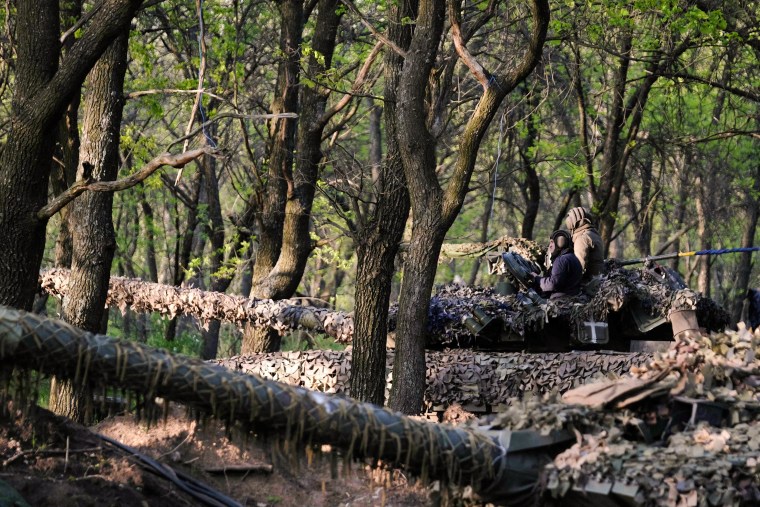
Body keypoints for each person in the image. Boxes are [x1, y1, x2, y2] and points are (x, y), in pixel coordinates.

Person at [531, 230, 583, 299]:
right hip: (573, 298)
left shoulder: (561, 260)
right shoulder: (573, 257)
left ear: (559, 243)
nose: (549, 246)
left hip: (561, 301)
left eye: (552, 242)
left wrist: (537, 278)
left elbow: (552, 284)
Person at [565, 206, 604, 280]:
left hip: (588, 284)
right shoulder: (593, 233)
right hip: (598, 279)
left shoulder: (582, 238)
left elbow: (579, 266)